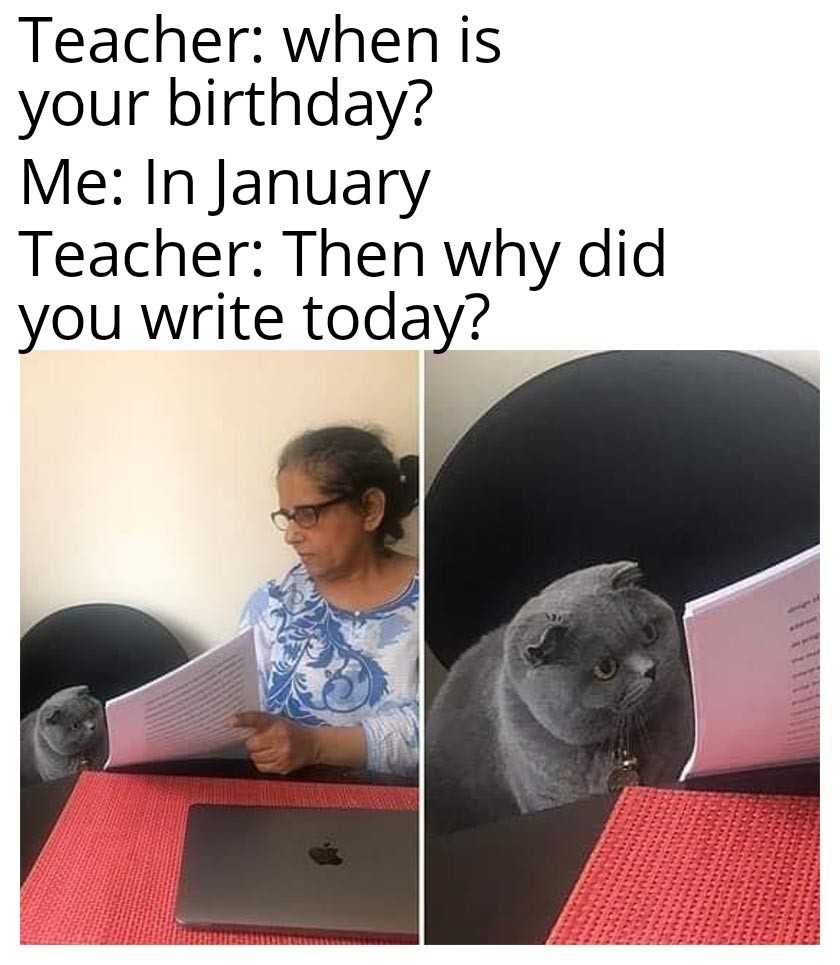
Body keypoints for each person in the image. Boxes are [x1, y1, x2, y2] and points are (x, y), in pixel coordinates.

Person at [230, 425, 419, 778]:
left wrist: (315, 745)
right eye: (287, 517)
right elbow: (241, 712)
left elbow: (443, 727)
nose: (290, 535)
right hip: (281, 806)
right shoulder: (272, 604)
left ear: (370, 509)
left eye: (307, 515)